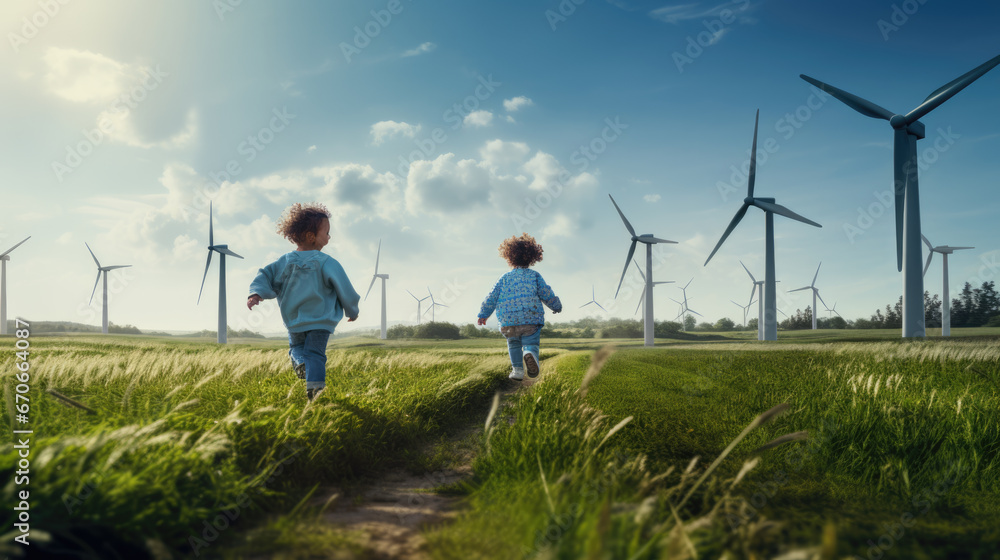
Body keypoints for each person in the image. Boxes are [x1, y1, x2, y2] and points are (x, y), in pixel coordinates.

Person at [247, 203, 360, 401]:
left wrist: (256, 294)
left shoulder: (284, 262)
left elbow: (265, 274)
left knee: (297, 349)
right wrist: (352, 309)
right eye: (326, 232)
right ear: (311, 236)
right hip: (320, 321)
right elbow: (344, 287)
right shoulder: (326, 262)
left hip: (295, 321)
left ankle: (301, 363)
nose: (329, 237)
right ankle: (315, 391)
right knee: (315, 354)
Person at [477, 233, 562, 380]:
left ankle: (517, 370)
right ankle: (529, 353)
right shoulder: (534, 275)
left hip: (508, 321)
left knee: (513, 344)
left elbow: (492, 296)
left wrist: (483, 314)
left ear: (509, 257)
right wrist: (556, 306)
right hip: (530, 318)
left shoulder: (503, 278)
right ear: (532, 257)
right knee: (530, 342)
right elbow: (546, 292)